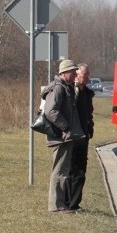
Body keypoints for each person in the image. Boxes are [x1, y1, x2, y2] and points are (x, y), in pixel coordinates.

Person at [41, 59, 85, 213]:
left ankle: (61, 205)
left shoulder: (66, 87)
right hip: (61, 137)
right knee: (59, 171)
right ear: (64, 73)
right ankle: (56, 206)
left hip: (65, 136)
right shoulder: (58, 88)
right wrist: (66, 127)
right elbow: (50, 111)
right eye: (73, 72)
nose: (75, 75)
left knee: (63, 171)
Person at [68, 63, 95, 211]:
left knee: (81, 171)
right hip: (73, 137)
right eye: (85, 75)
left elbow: (88, 113)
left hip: (83, 136)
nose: (88, 77)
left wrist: (90, 127)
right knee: (72, 170)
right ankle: (69, 203)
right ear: (77, 76)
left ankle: (75, 203)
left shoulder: (87, 93)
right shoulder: (73, 91)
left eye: (88, 74)